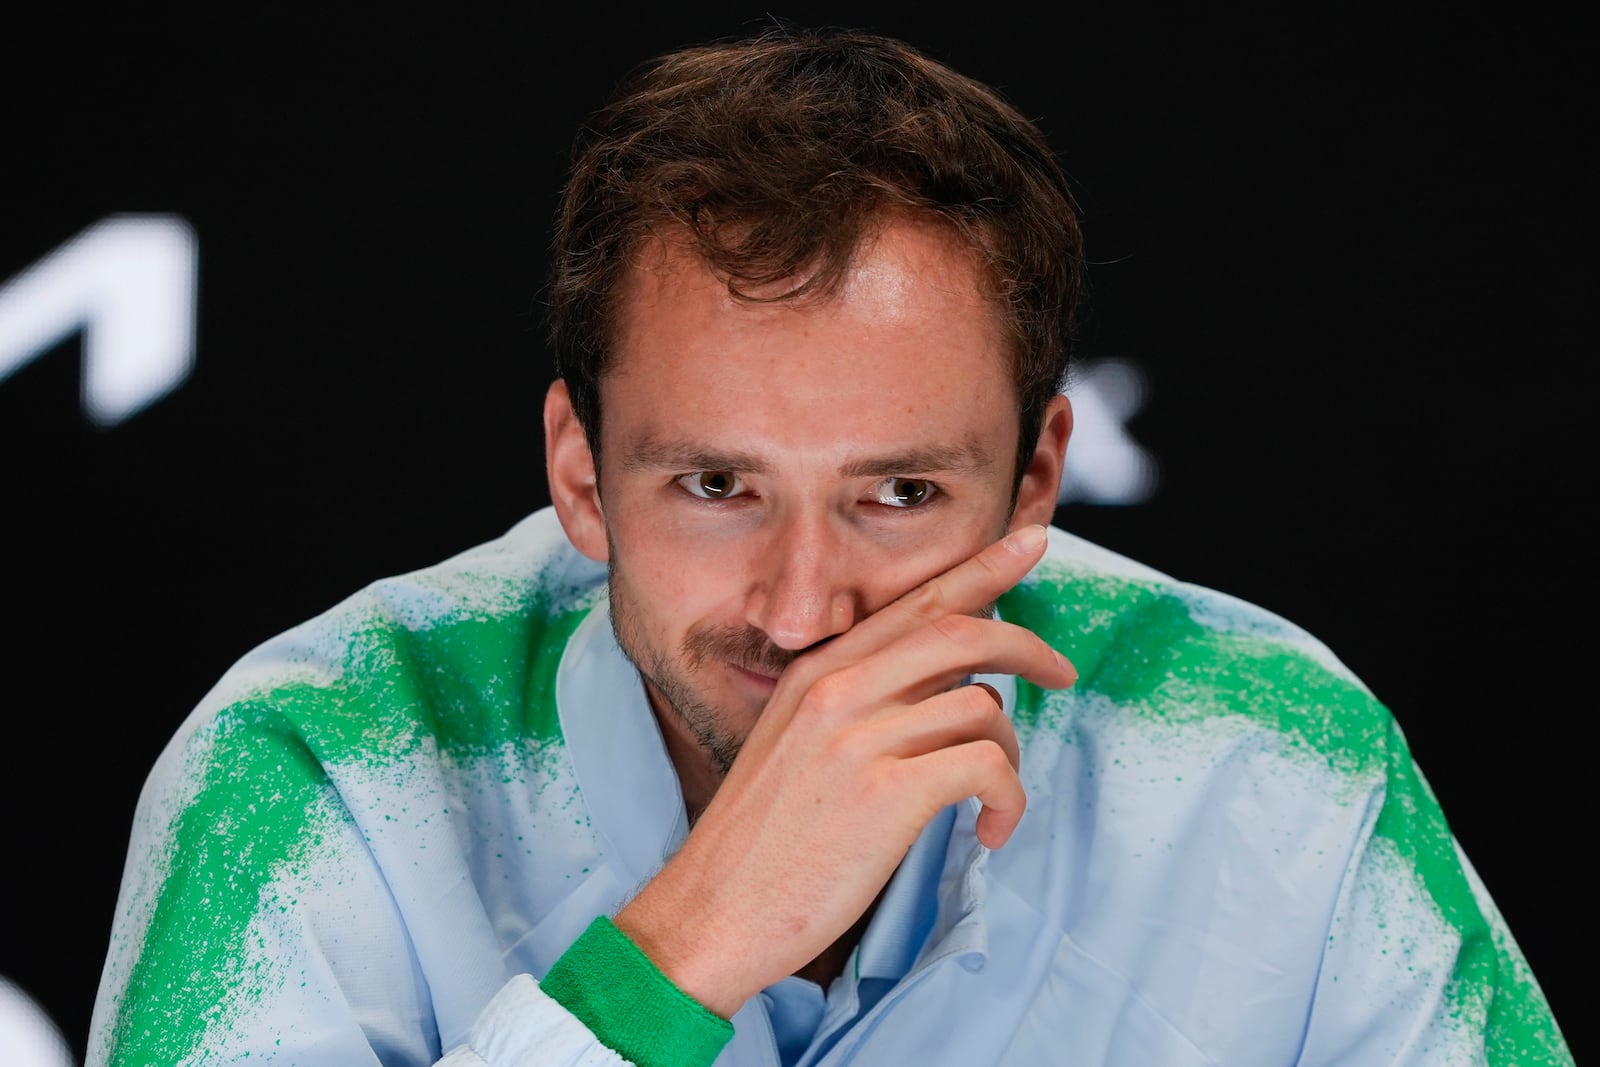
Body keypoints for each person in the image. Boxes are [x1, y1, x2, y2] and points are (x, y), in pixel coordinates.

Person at [86, 24, 1572, 1067]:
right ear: (580, 476)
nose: (806, 610)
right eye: (718, 485)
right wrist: (687, 950)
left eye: (899, 495)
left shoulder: (1274, 760)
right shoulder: (311, 771)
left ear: (1038, 477)